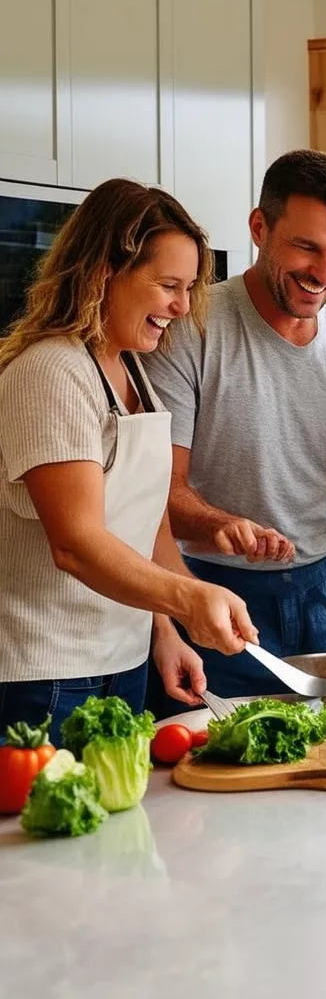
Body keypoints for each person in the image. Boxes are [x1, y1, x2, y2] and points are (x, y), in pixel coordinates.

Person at [142, 150, 326, 709]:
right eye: (306, 247)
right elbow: (157, 493)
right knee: (211, 771)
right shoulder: (188, 330)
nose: (324, 272)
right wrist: (221, 523)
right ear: (259, 227)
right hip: (210, 593)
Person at [0, 178, 257, 742]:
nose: (182, 306)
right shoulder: (51, 373)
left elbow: (145, 522)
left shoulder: (132, 368)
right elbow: (76, 543)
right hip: (46, 676)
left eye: (189, 287)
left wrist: (163, 631)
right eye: (168, 284)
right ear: (104, 272)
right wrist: (191, 597)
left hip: (122, 661)